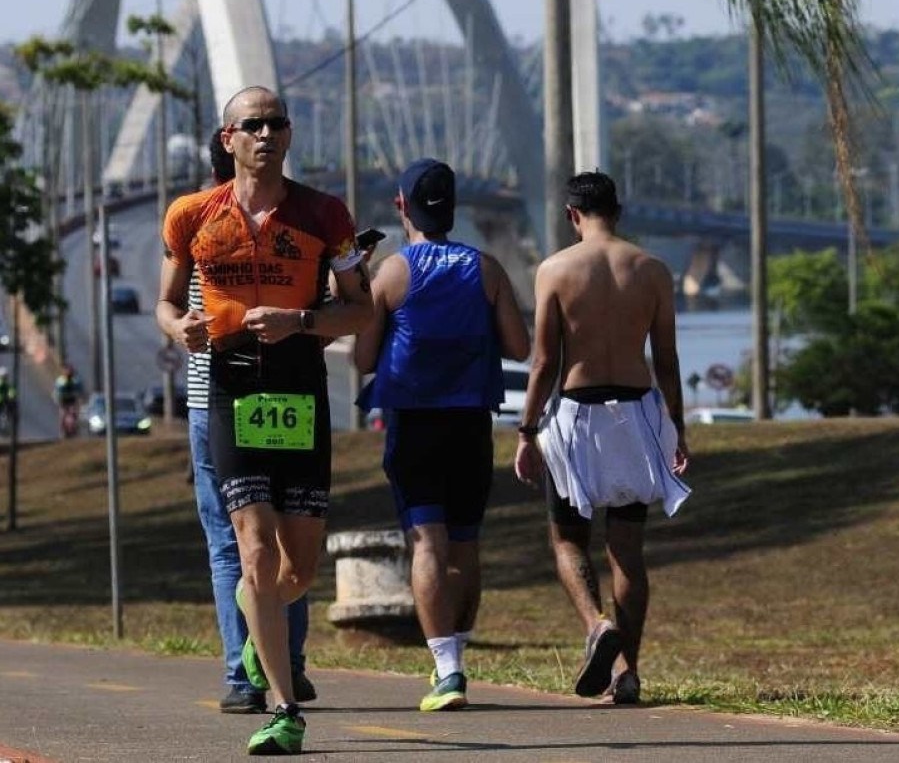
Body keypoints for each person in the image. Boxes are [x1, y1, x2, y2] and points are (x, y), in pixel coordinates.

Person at [157, 86, 373, 756]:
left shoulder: (324, 213)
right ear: (229, 139)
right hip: (230, 389)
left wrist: (300, 321)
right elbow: (166, 305)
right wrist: (181, 329)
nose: (267, 134)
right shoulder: (192, 215)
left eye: (278, 123)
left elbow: (360, 309)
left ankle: (261, 635)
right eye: (253, 125)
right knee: (252, 549)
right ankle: (283, 709)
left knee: (297, 571)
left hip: (299, 387)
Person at [354, 158, 530, 713]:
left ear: (402, 206)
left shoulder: (390, 273)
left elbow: (362, 358)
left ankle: (446, 670)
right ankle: (459, 653)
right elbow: (520, 348)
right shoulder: (488, 269)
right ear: (453, 207)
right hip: (471, 420)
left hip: (413, 421)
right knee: (465, 542)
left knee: (426, 543)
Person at [513, 170, 691, 706]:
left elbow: (545, 361)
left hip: (578, 414)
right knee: (627, 551)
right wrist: (675, 429)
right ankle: (628, 673)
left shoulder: (556, 270)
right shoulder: (653, 270)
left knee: (568, 539)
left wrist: (525, 430)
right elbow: (667, 360)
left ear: (572, 216)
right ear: (619, 210)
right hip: (636, 415)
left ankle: (596, 625)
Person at [185, 126, 314, 715]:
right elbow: (175, 313)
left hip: (225, 399)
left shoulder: (204, 231)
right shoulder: (199, 227)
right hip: (223, 398)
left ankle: (245, 672)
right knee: (263, 542)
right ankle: (287, 663)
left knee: (240, 547)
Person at [53, 363, 83, 439]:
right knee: (63, 415)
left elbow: (80, 390)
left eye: (70, 370)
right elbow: (56, 391)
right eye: (67, 370)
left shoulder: (76, 380)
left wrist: (80, 398)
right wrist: (57, 399)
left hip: (72, 399)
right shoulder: (60, 380)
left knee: (74, 414)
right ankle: (62, 431)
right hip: (63, 400)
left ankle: (75, 429)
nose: (68, 372)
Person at [0, 367, 15, 434]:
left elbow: (11, 390)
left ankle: (5, 427)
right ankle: (4, 427)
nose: (5, 378)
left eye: (5, 376)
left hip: (4, 403)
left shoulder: (7, 385)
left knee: (6, 414)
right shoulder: (2, 383)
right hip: (3, 402)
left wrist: (11, 395)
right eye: (4, 376)